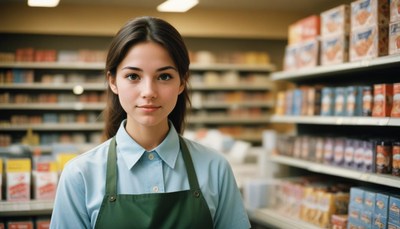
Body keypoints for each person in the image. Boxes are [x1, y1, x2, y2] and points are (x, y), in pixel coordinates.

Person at [50, 16, 251, 229]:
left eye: (164, 76)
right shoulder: (80, 175)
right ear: (112, 81)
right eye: (133, 76)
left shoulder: (215, 168)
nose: (149, 92)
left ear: (182, 82)